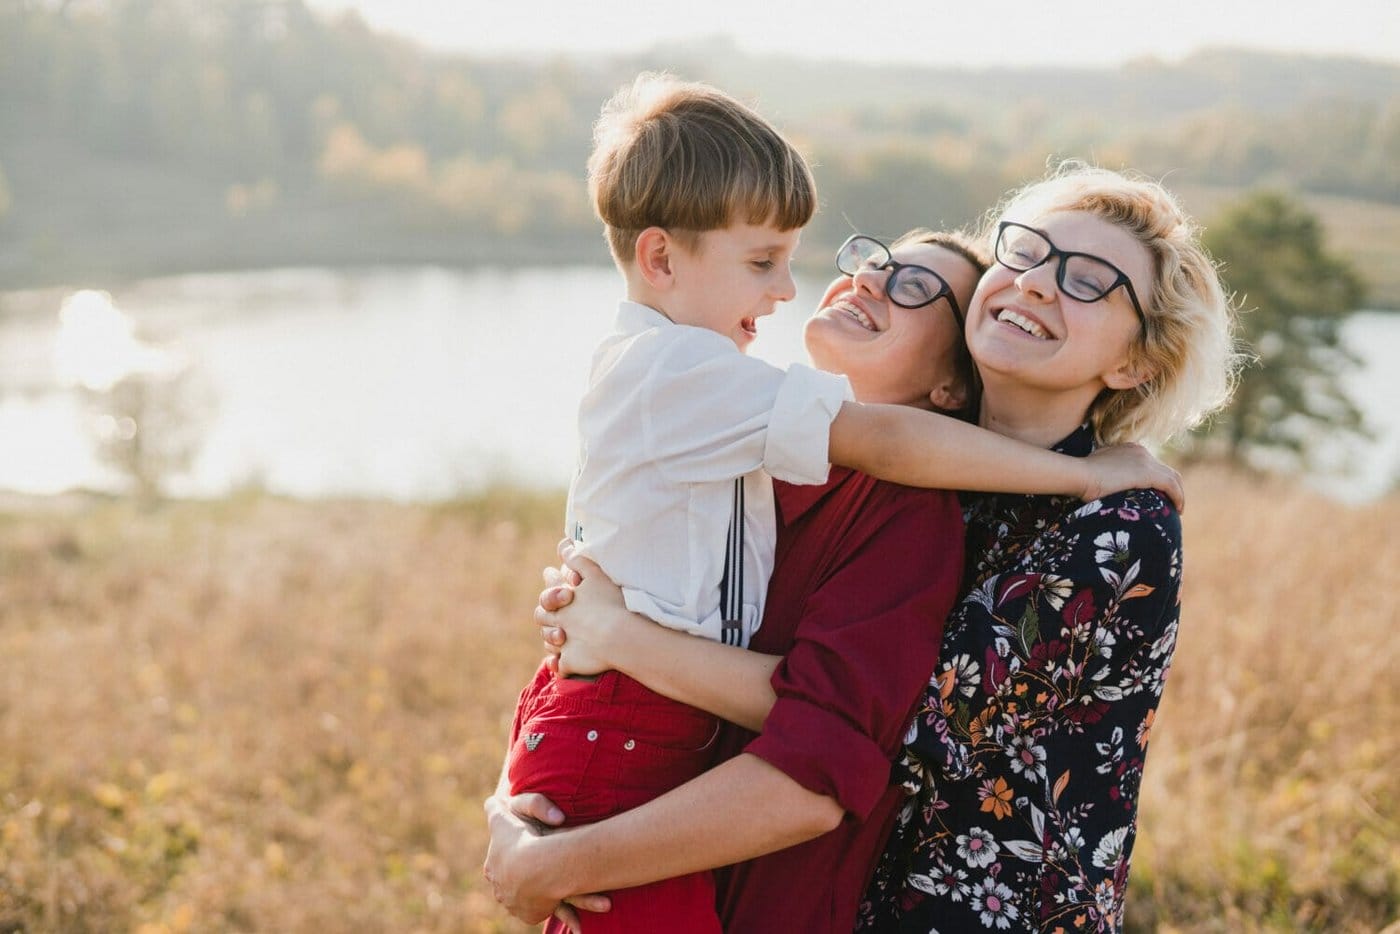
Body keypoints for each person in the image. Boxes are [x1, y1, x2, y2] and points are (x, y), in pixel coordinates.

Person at [496, 66, 1187, 931]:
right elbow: (585, 630)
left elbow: (855, 745)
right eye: (872, 263)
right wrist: (518, 799)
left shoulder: (925, 506)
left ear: (949, 383)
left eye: (914, 290)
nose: (862, 283)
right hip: (679, 830)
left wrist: (617, 643)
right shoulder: (751, 460)